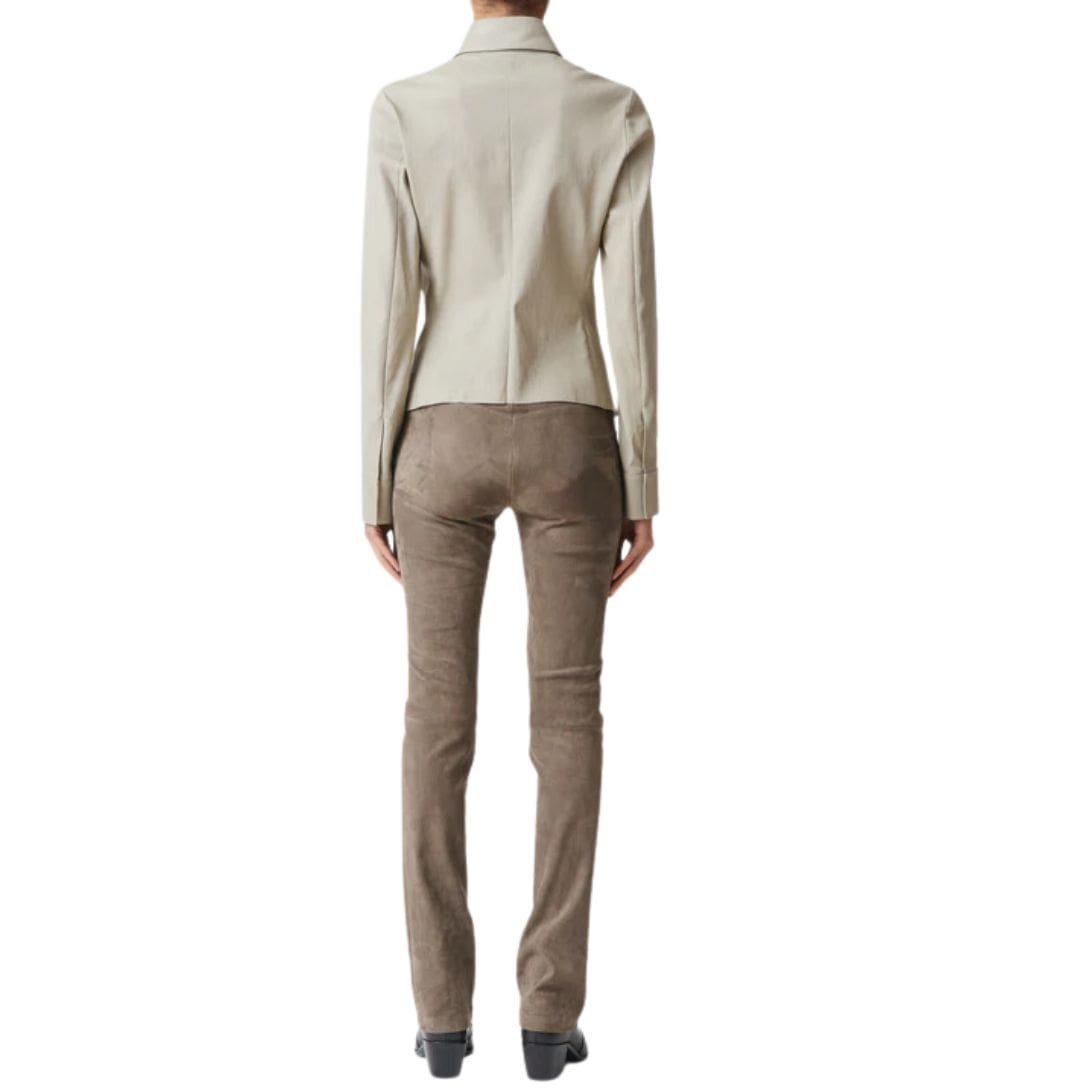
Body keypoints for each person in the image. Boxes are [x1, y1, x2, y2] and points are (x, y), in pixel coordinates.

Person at [360, 0, 657, 1078]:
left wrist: (372, 476)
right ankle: (547, 1014)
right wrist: (643, 478)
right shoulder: (611, 111)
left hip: (438, 435)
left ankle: (442, 1017)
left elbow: (387, 306)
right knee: (567, 720)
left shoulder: (406, 109)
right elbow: (631, 308)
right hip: (573, 430)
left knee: (434, 724)